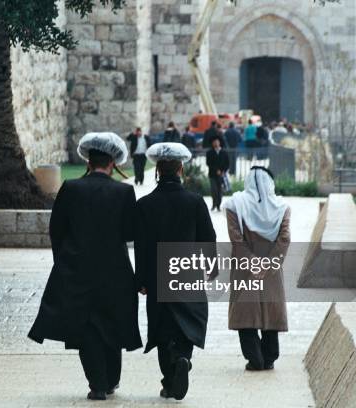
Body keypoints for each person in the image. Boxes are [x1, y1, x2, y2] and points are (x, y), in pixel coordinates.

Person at [28, 132, 142, 401]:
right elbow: (130, 232)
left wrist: (64, 260)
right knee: (111, 324)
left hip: (77, 269)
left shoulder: (70, 188)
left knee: (87, 327)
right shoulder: (124, 191)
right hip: (115, 271)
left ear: (88, 162)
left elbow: (57, 230)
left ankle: (97, 384)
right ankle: (111, 379)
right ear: (113, 163)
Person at [135, 142, 217, 401]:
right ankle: (183, 357)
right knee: (188, 320)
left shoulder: (145, 204)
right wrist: (211, 268)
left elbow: (142, 246)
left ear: (157, 170)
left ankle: (169, 380)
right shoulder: (194, 201)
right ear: (181, 168)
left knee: (162, 327)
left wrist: (142, 280)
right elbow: (208, 238)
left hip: (158, 274)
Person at [222, 167, 290, 371]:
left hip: (245, 267)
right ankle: (269, 357)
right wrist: (267, 265)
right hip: (271, 270)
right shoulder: (282, 207)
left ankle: (254, 358)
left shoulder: (235, 205)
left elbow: (236, 240)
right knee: (270, 308)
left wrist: (253, 262)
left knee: (246, 312)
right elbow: (284, 239)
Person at [206, 135, 229, 211]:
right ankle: (214, 204)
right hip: (212, 174)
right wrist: (216, 170)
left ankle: (218, 205)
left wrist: (223, 171)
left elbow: (227, 163)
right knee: (214, 190)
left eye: (217, 142)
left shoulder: (224, 152)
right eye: (214, 142)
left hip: (221, 175)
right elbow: (208, 163)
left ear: (219, 142)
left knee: (219, 191)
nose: (215, 143)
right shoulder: (209, 152)